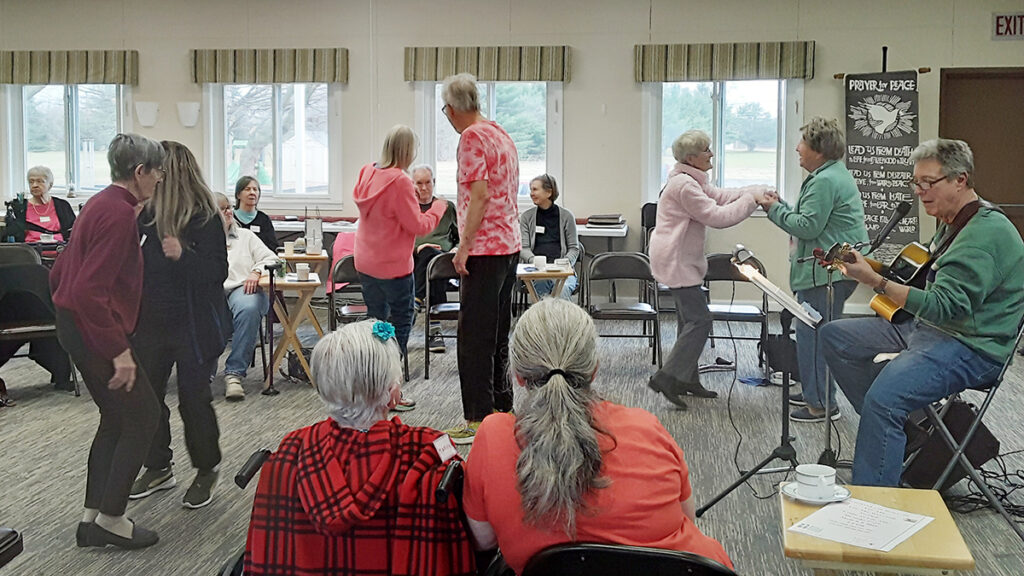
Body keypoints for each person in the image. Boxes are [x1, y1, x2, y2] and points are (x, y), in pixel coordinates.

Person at [463, 298, 733, 574]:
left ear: (518, 376)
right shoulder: (646, 428)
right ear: (593, 370)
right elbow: (686, 518)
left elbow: (481, 541)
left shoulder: (494, 436)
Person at [821, 139, 1024, 487]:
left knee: (884, 400)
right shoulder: (953, 220)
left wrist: (874, 281)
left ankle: (874, 509)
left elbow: (945, 307)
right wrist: (866, 266)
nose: (920, 191)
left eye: (928, 183)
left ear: (961, 179)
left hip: (971, 345)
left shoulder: (983, 235)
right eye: (916, 183)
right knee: (835, 337)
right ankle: (901, 432)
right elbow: (925, 284)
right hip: (932, 327)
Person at [244, 320, 475, 576]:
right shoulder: (433, 449)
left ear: (322, 387)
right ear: (394, 392)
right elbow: (475, 535)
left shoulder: (291, 449)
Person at [50, 133, 164, 549]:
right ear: (140, 172)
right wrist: (119, 352)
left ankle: (91, 518)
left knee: (116, 419)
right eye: (157, 171)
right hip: (94, 330)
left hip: (75, 325)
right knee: (143, 417)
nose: (160, 178)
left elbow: (60, 275)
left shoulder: (101, 203)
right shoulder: (117, 216)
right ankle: (112, 518)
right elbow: (87, 291)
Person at [128, 141, 230, 510]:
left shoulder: (203, 216)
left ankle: (207, 468)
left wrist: (183, 256)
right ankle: (158, 466)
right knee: (147, 399)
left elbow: (217, 273)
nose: (151, 176)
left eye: (157, 169)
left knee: (193, 400)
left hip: (194, 326)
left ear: (172, 173)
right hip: (152, 325)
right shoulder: (146, 215)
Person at [647, 130, 771, 410]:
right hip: (676, 260)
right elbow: (717, 216)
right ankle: (667, 377)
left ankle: (687, 379)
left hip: (678, 258)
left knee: (687, 321)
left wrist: (755, 190)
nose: (711, 154)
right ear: (691, 158)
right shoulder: (685, 186)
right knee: (700, 321)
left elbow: (722, 195)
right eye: (706, 150)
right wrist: (752, 201)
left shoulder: (690, 180)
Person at [761, 117, 868, 423]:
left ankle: (821, 404)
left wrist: (772, 210)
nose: (797, 148)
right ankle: (814, 392)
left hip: (825, 275)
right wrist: (782, 205)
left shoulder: (824, 180)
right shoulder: (830, 175)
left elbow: (808, 227)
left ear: (819, 150)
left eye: (803, 143)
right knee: (813, 335)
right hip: (828, 271)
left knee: (816, 337)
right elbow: (812, 216)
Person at [440, 72, 521, 444]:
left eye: (445, 110)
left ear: (454, 108)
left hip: (486, 250)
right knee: (499, 332)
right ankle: (503, 409)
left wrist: (464, 246)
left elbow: (480, 195)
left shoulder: (471, 137)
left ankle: (477, 418)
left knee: (473, 338)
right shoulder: (498, 131)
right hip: (509, 246)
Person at [353, 125, 447, 386]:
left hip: (365, 261)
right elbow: (420, 226)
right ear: (407, 151)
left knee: (377, 320)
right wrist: (438, 207)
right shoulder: (401, 181)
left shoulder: (367, 172)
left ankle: (372, 376)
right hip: (393, 266)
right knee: (402, 321)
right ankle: (389, 379)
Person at [215, 192, 279, 401]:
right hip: (212, 291)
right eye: (222, 209)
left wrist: (256, 271)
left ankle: (234, 374)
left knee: (250, 307)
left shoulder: (246, 236)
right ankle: (203, 372)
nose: (228, 212)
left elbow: (272, 259)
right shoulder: (199, 238)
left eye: (229, 208)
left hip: (242, 288)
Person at [410, 164, 459, 354]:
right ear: (412, 185)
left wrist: (454, 250)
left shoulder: (447, 208)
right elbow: (395, 240)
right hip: (413, 261)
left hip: (444, 260)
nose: (423, 188)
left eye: (427, 182)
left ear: (434, 183)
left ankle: (415, 300)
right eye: (419, 183)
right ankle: (435, 329)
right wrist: (417, 248)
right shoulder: (407, 208)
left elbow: (460, 238)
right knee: (429, 258)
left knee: (435, 260)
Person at [519, 174, 581, 299]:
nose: (531, 193)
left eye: (535, 189)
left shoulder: (567, 216)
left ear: (548, 192)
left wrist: (564, 263)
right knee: (540, 293)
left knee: (562, 291)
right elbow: (524, 248)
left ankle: (561, 319)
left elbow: (574, 248)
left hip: (562, 270)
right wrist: (534, 261)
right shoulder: (526, 217)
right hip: (537, 271)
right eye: (531, 190)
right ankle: (542, 319)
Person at [5, 166, 76, 242]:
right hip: (29, 251)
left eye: (39, 181)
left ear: (50, 185)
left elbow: (74, 232)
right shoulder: (19, 208)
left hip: (60, 250)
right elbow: (13, 237)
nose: (34, 185)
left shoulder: (63, 206)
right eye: (31, 181)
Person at [233, 176, 278, 252]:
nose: (252, 193)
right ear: (238, 195)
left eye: (255, 189)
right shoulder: (230, 217)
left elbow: (272, 247)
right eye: (247, 189)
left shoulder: (264, 219)